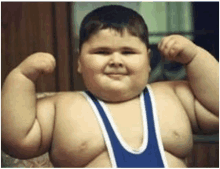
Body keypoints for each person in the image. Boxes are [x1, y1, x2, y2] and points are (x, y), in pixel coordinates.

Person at [2, 5, 219, 168]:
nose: (116, 60)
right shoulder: (62, 107)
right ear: (79, 62)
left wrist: (195, 57)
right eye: (102, 52)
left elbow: (216, 109)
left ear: (147, 59)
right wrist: (21, 78)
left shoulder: (173, 96)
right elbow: (16, 140)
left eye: (128, 52)